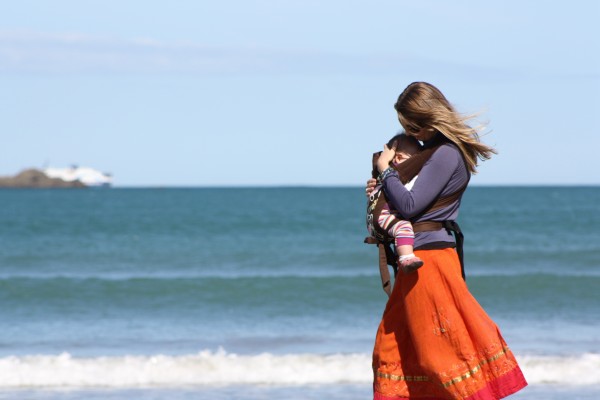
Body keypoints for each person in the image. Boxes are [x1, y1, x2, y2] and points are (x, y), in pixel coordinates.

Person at [366, 82, 527, 400]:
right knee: (391, 347)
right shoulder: (435, 152)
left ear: (428, 118)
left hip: (430, 259)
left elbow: (411, 206)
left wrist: (386, 172)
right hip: (421, 257)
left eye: (413, 126)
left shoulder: (445, 153)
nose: (412, 134)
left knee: (438, 352)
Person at [366, 133, 424, 275]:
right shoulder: (400, 174)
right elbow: (409, 196)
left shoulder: (382, 175)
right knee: (404, 227)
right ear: (398, 158)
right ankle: (406, 258)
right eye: (415, 160)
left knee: (400, 228)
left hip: (374, 222)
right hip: (385, 217)